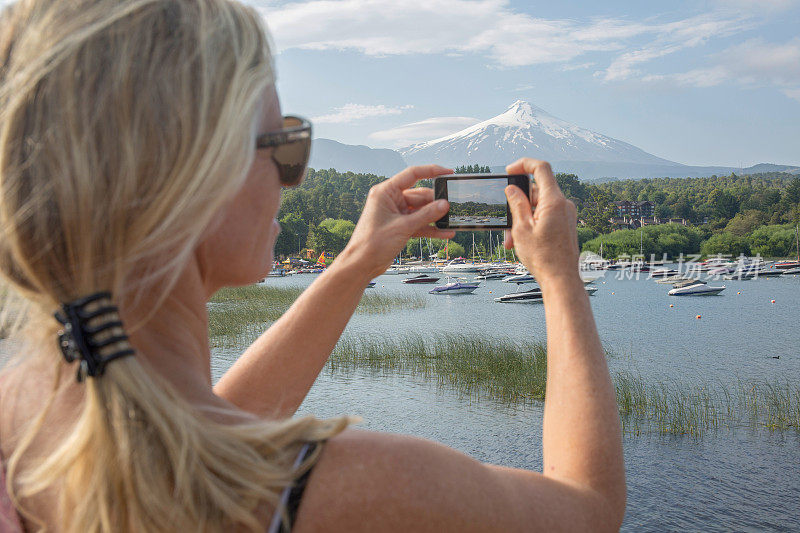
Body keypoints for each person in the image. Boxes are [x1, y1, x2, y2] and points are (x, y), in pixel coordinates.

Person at [0, 0, 625, 531]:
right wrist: (562, 277)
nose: (292, 182)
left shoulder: (27, 434)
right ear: (197, 177)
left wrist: (355, 264)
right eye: (285, 146)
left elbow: (194, 425)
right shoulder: (356, 488)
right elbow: (589, 509)